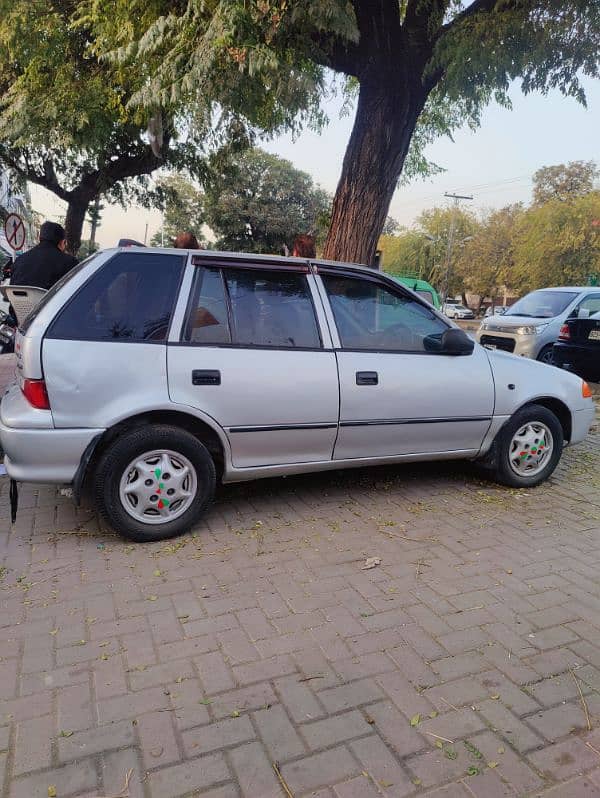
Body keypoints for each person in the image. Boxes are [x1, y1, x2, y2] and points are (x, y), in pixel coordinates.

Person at [10, 221, 78, 290]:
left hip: (17, 300)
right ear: (63, 242)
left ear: (39, 238)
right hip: (53, 300)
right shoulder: (70, 263)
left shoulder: (19, 260)